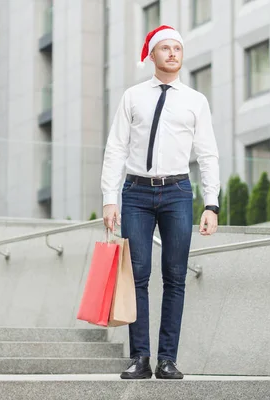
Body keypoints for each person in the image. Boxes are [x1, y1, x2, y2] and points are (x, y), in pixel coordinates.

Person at [100, 25, 220, 380]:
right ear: (151, 55)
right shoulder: (133, 96)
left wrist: (211, 203)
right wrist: (110, 197)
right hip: (135, 193)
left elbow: (208, 154)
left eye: (176, 48)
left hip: (178, 193)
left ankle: (167, 359)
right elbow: (116, 148)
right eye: (164, 48)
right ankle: (140, 358)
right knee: (136, 276)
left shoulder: (196, 101)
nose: (171, 53)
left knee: (175, 277)